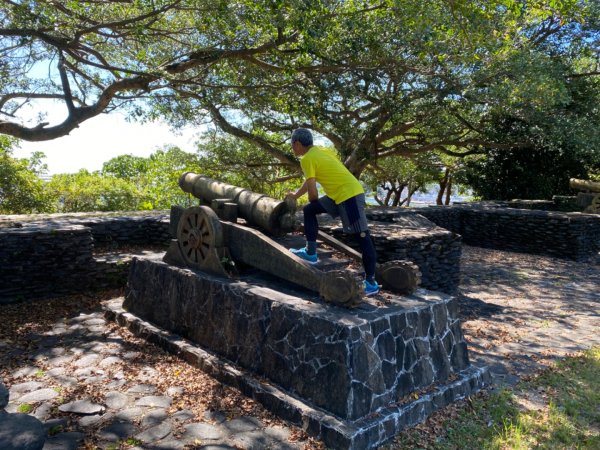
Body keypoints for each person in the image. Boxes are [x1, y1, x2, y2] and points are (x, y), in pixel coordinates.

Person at [286, 128, 380, 296]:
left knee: (363, 237)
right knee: (309, 210)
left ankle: (371, 282)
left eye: (293, 145)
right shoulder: (321, 150)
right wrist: (296, 195)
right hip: (337, 195)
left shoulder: (306, 158)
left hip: (349, 195)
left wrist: (314, 200)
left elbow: (313, 193)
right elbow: (310, 181)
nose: (293, 148)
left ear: (298, 144)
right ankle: (311, 252)